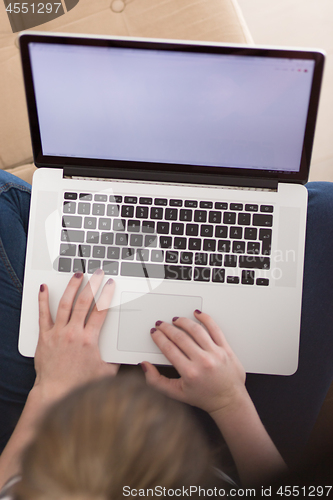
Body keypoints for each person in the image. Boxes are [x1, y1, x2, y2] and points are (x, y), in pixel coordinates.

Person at [0, 170, 333, 489]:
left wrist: (54, 388)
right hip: (217, 465)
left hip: (63, 451)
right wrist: (229, 403)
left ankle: (115, 225)